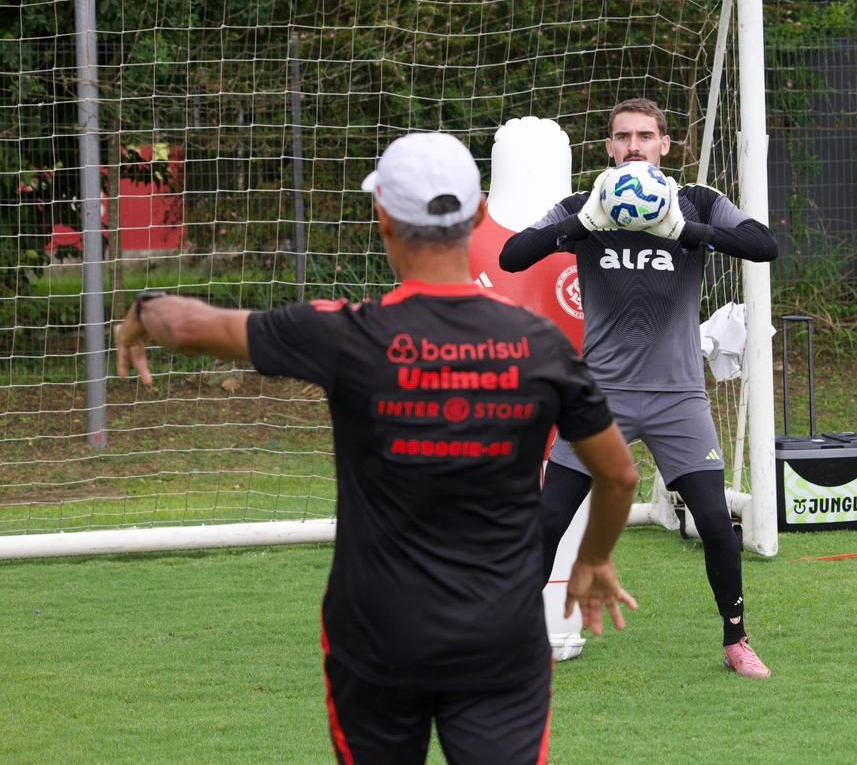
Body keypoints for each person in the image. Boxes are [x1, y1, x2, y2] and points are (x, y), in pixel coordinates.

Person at [115, 132, 639, 764]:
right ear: (477, 214)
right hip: (499, 635)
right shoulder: (543, 346)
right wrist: (592, 560)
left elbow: (195, 327)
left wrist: (145, 309)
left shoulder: (343, 333)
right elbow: (618, 476)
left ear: (382, 216)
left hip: (376, 635)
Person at [499, 98, 779, 679]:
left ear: (665, 145)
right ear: (607, 148)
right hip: (599, 400)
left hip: (680, 400)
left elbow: (763, 243)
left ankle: (736, 641)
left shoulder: (696, 201)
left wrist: (686, 231)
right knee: (547, 522)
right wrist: (582, 227)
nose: (634, 145)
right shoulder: (586, 206)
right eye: (622, 136)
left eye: (645, 136)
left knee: (715, 525)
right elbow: (510, 256)